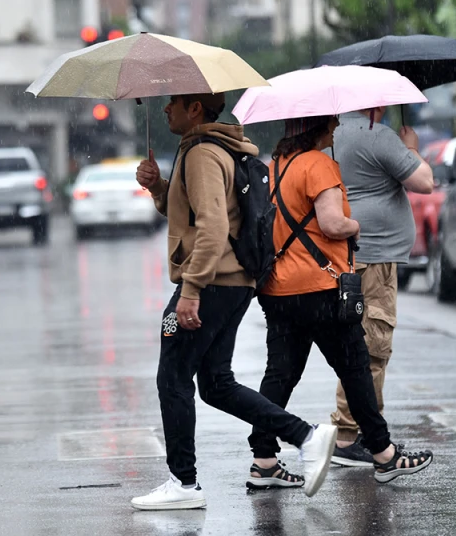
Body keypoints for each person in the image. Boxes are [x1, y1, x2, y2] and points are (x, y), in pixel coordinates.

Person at [131, 93, 338, 510]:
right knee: (215, 385)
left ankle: (183, 484)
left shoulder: (202, 153)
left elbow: (212, 225)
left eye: (174, 103)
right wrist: (159, 189)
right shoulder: (217, 147)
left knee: (172, 377)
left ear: (195, 109)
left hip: (209, 284)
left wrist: (190, 291)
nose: (166, 109)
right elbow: (194, 214)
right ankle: (306, 436)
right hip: (231, 281)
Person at [246, 116, 433, 487]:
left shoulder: (276, 166)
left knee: (280, 375)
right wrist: (355, 225)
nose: (335, 128)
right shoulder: (319, 164)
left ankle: (264, 460)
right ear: (314, 128)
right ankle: (383, 454)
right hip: (318, 288)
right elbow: (332, 223)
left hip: (279, 289)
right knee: (355, 368)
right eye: (329, 123)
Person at [328, 108, 434, 466]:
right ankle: (351, 434)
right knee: (372, 345)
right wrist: (413, 148)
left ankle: (362, 433)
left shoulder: (334, 133)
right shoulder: (376, 135)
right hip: (373, 258)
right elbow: (425, 182)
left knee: (356, 342)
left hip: (350, 256)